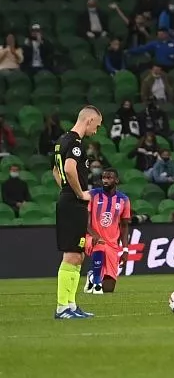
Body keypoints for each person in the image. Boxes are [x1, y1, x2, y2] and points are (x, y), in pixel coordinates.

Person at [53, 105, 104, 319]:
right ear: (89, 120)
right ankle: (62, 308)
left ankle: (71, 305)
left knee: (78, 255)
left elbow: (55, 171)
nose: (96, 130)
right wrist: (79, 193)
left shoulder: (61, 141)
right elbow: (68, 169)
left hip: (69, 201)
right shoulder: (75, 143)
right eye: (97, 126)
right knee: (72, 255)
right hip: (73, 203)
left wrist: (66, 190)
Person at [83, 168, 131, 295]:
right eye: (103, 178)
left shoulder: (124, 200)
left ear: (116, 180)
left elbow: (124, 226)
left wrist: (125, 250)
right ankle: (96, 281)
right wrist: (94, 234)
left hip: (112, 244)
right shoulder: (93, 195)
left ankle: (92, 276)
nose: (105, 180)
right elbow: (85, 221)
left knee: (108, 289)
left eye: (109, 178)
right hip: (92, 238)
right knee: (100, 245)